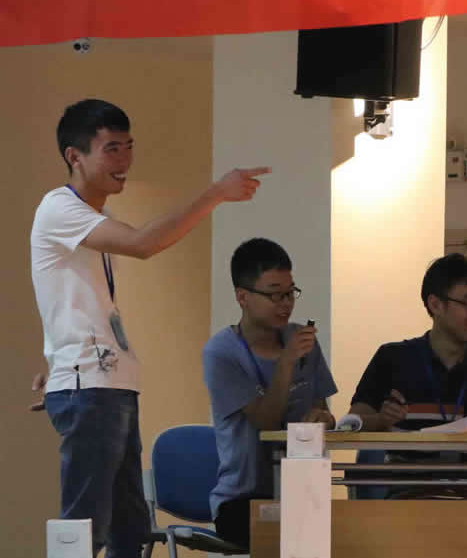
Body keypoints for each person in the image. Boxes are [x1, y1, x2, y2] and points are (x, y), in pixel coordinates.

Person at [30, 98, 268, 557]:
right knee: (84, 529)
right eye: (111, 149)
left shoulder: (94, 219)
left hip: (106, 383)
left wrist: (59, 367)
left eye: (128, 147)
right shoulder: (58, 208)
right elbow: (143, 243)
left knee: (130, 531)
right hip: (90, 385)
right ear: (75, 156)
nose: (124, 160)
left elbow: (72, 302)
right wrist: (216, 193)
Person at [349, 253, 467, 498]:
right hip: (409, 498)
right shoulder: (393, 357)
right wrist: (381, 420)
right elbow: (353, 423)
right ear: (435, 305)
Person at [202, 238, 337, 547]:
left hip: (302, 491)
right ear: (243, 297)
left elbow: (322, 410)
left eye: (290, 293)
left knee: (348, 533)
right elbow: (265, 421)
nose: (286, 303)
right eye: (275, 294)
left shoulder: (301, 339)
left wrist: (323, 419)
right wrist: (286, 362)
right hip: (242, 499)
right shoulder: (221, 353)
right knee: (295, 537)